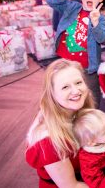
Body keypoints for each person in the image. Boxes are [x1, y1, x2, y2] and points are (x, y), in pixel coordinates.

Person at [25, 59, 94, 187]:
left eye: (78, 82)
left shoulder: (74, 109)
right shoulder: (48, 142)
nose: (76, 91)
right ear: (52, 94)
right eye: (65, 87)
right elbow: (71, 186)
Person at [46, 0, 105, 108]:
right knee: (66, 90)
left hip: (87, 66)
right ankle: (69, 111)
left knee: (92, 93)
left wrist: (95, 22)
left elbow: (102, 38)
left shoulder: (100, 18)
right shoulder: (71, 7)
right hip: (66, 62)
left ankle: (92, 116)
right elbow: (50, 1)